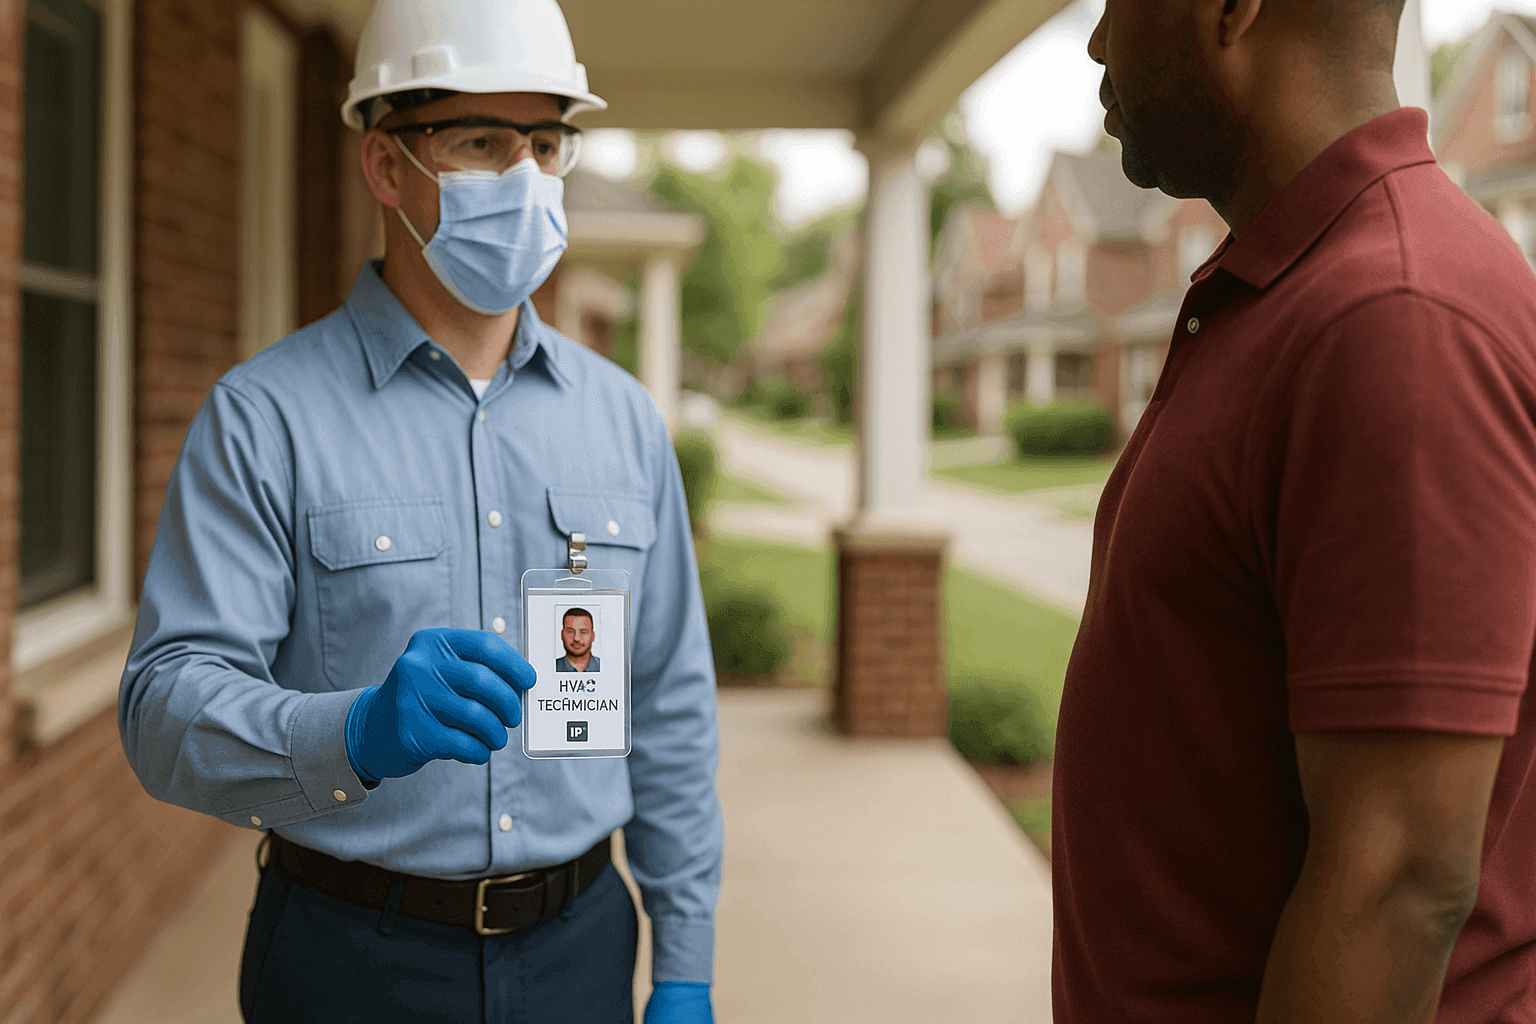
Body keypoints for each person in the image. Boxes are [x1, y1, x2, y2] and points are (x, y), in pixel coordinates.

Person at [117, 1, 722, 1022]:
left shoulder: (623, 421)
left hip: (580, 950)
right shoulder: (265, 418)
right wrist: (349, 731)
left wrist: (687, 961)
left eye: (544, 141)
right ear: (387, 166)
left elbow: (669, 710)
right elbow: (162, 708)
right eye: (480, 141)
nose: (524, 177)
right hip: (350, 957)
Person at [1055, 1, 1536, 1021]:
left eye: (1115, 5)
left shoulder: (1395, 315)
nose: (1098, 43)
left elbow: (1400, 878)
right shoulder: (1292, 288)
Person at [557, 608, 600, 674]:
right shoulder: (550, 667)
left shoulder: (606, 667)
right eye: (570, 631)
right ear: (562, 635)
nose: (576, 638)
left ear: (593, 636)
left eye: (583, 632)